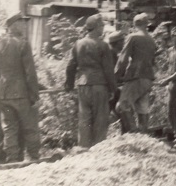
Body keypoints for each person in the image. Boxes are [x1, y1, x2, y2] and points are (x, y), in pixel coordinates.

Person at [0, 14, 40, 162]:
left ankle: (12, 161)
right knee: (29, 127)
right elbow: (30, 73)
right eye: (22, 23)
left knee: (9, 128)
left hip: (3, 95)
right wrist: (35, 96)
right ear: (14, 25)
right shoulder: (23, 44)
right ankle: (34, 158)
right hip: (21, 94)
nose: (25, 26)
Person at [65, 14, 118, 148]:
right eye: (101, 26)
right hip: (99, 85)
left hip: (83, 85)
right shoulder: (103, 45)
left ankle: (83, 149)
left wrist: (69, 85)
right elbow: (108, 70)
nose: (103, 28)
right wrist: (113, 89)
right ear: (96, 27)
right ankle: (98, 150)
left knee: (84, 119)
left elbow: (71, 66)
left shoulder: (78, 44)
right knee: (100, 119)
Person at [115, 13, 157, 133]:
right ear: (146, 25)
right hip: (148, 78)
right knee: (142, 108)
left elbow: (123, 59)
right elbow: (152, 61)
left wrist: (116, 76)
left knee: (122, 106)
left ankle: (133, 136)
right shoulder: (151, 39)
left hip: (135, 76)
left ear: (134, 25)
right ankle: (143, 138)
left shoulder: (133, 37)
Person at [106, 29, 130, 133]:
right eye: (122, 42)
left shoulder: (114, 53)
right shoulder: (111, 54)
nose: (124, 44)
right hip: (111, 89)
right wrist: (124, 78)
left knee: (119, 111)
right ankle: (126, 133)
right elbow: (112, 73)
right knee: (122, 109)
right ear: (117, 43)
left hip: (112, 88)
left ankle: (125, 133)